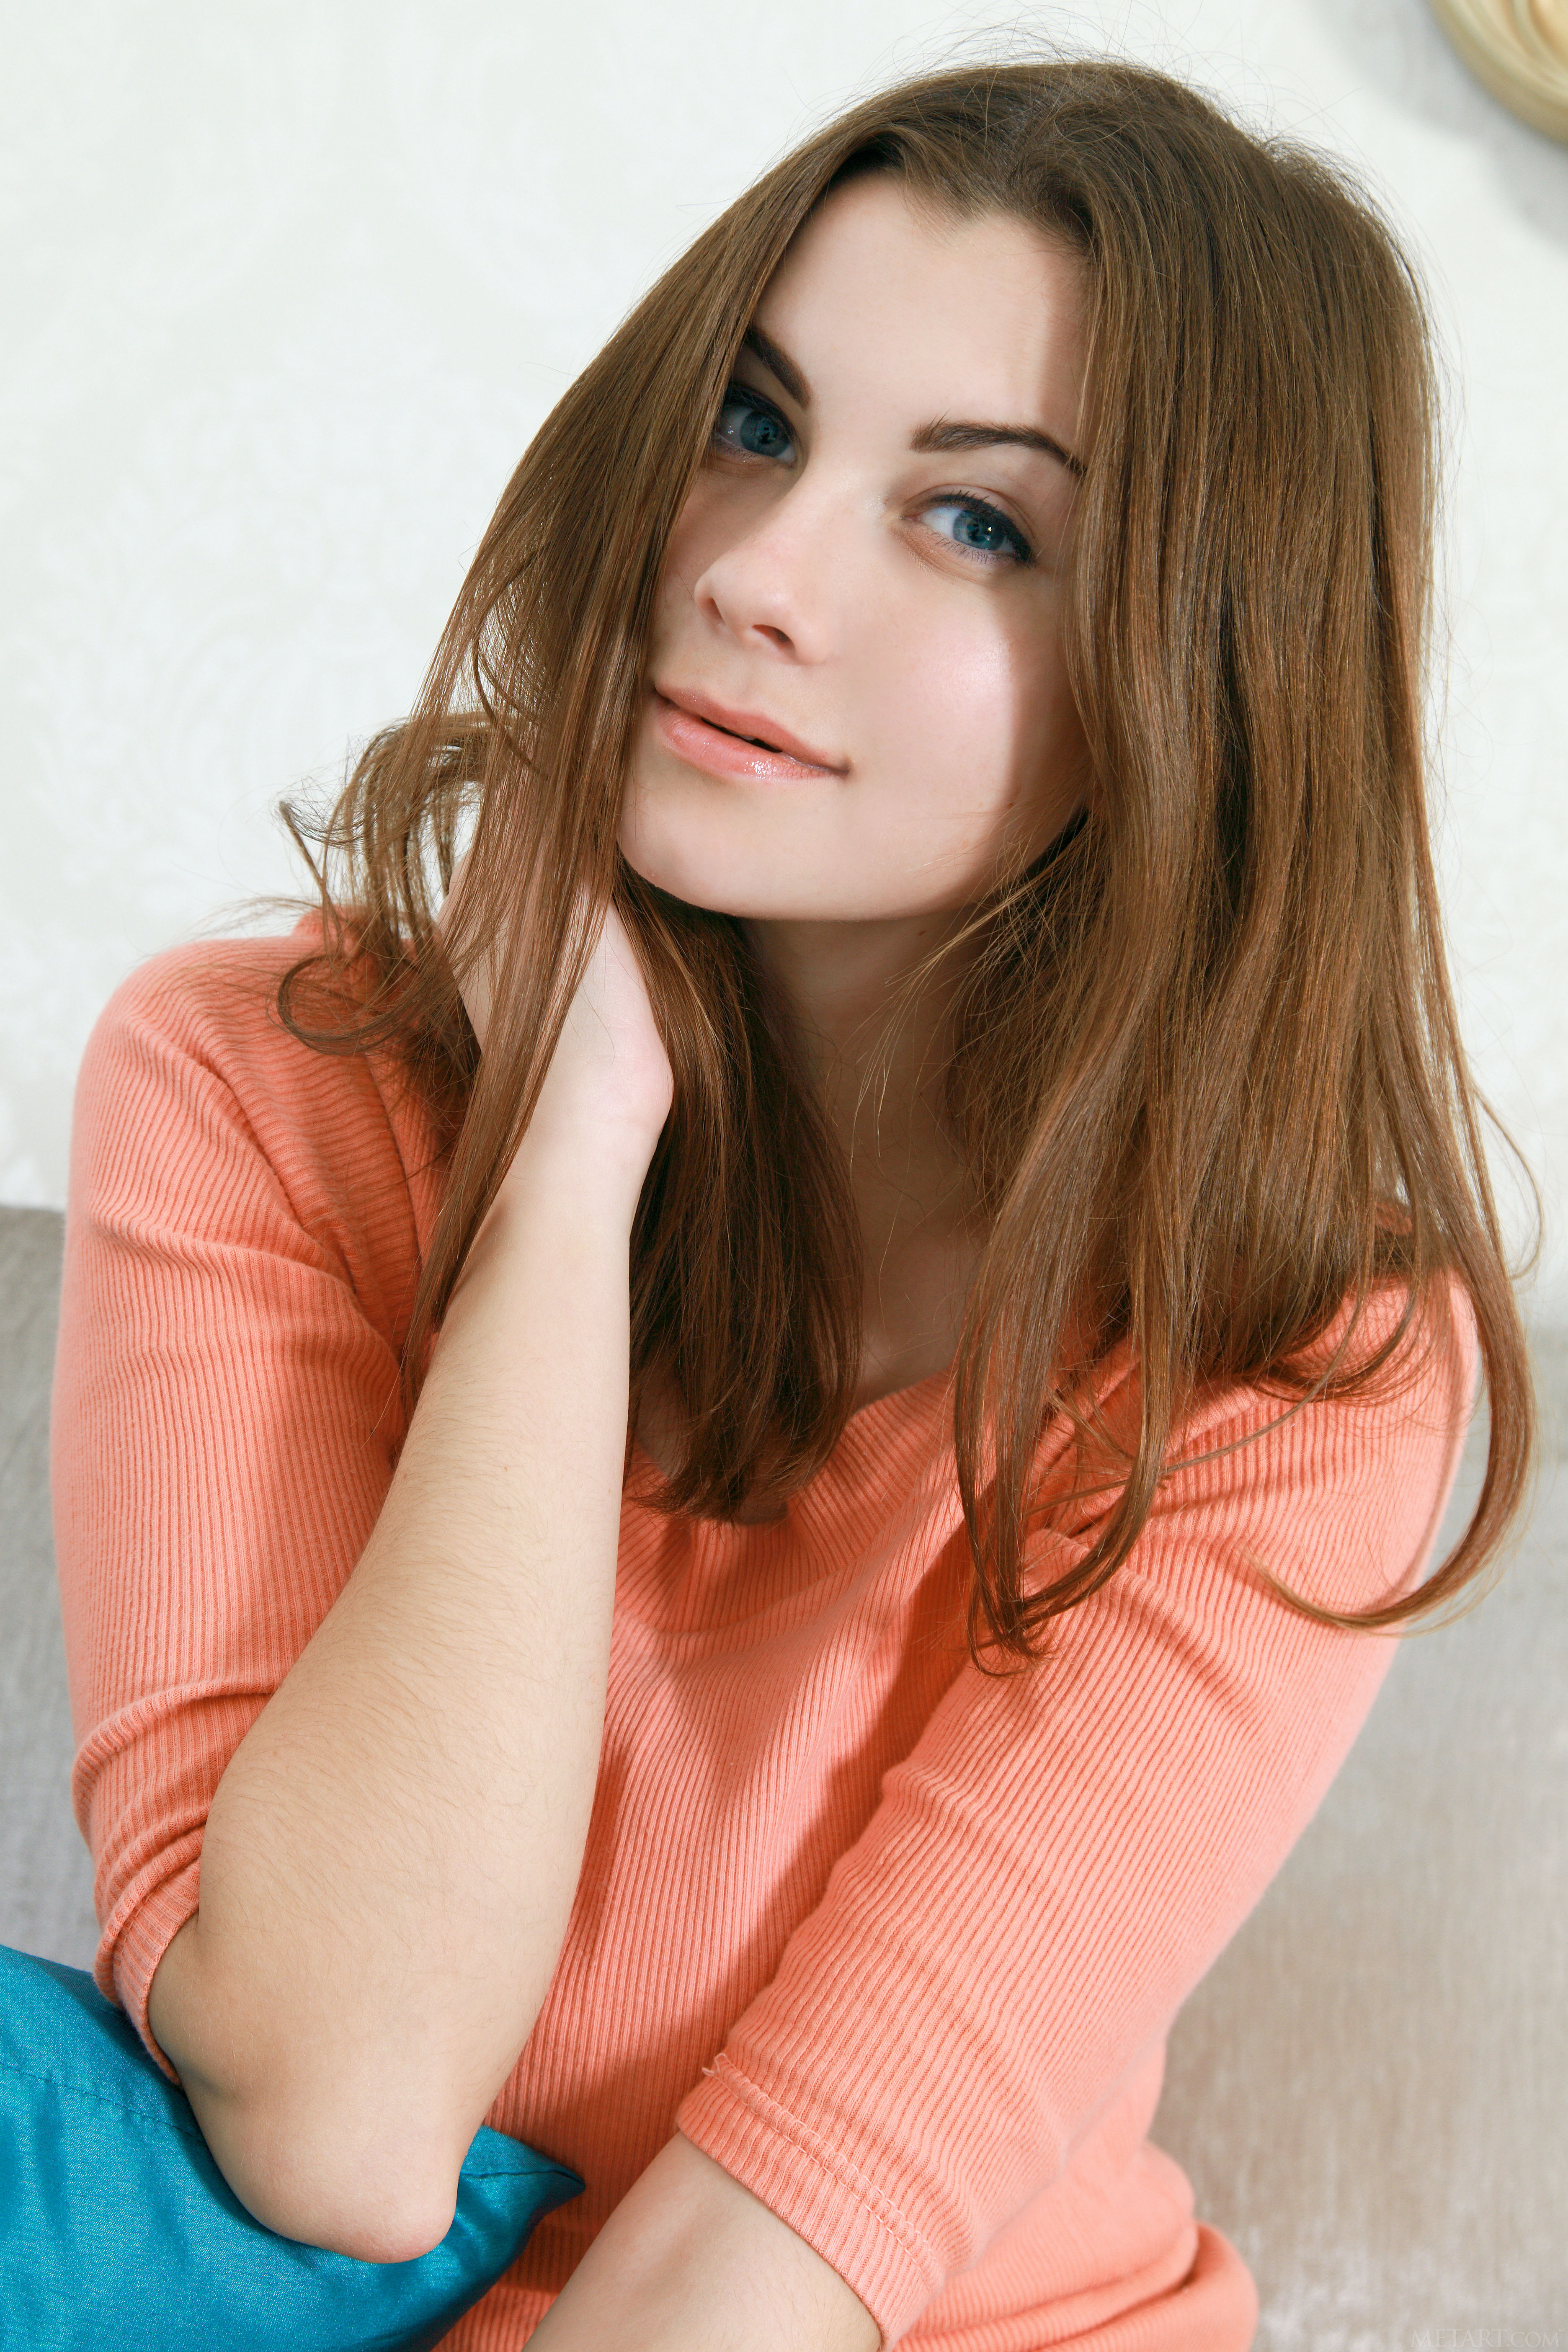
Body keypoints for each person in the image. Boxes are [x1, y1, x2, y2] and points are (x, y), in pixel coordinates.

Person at [51, 52, 1535, 2352]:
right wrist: (564, 1182)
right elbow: (336, 2126)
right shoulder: (256, 1097)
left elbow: (751, 2280)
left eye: (977, 525)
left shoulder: (1294, 1352)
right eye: (751, 427)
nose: (748, 578)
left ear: (1199, 679)